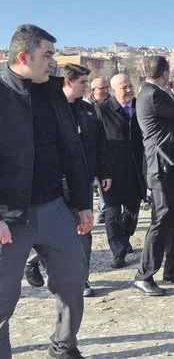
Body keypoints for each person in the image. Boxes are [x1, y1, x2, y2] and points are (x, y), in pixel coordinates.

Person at [0, 24, 93, 359]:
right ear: (24, 57)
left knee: (72, 280)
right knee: (2, 300)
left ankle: (63, 345)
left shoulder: (52, 92)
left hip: (54, 208)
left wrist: (83, 202)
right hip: (10, 218)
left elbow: (72, 149)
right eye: (47, 55)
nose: (54, 62)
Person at [25, 64, 110, 298]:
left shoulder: (88, 110)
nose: (86, 86)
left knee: (84, 229)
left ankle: (80, 279)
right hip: (52, 181)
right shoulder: (49, 109)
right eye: (82, 82)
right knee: (51, 232)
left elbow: (100, 144)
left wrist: (104, 172)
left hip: (81, 180)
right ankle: (33, 261)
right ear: (68, 82)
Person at [134, 56, 174, 296]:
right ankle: (144, 274)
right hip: (161, 166)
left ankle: (171, 267)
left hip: (170, 165)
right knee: (161, 220)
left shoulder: (150, 93)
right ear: (164, 74)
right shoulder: (154, 95)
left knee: (173, 217)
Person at [95, 74, 146, 269]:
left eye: (130, 86)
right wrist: (101, 171)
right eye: (123, 87)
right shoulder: (102, 110)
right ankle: (118, 252)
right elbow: (98, 143)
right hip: (112, 171)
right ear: (113, 90)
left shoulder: (140, 106)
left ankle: (124, 237)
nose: (128, 90)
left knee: (133, 210)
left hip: (136, 169)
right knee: (113, 212)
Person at [87, 76, 111, 223]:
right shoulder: (84, 104)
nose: (105, 90)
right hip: (90, 148)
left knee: (104, 183)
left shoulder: (112, 104)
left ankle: (103, 211)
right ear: (93, 90)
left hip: (107, 148)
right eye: (101, 88)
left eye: (106, 87)